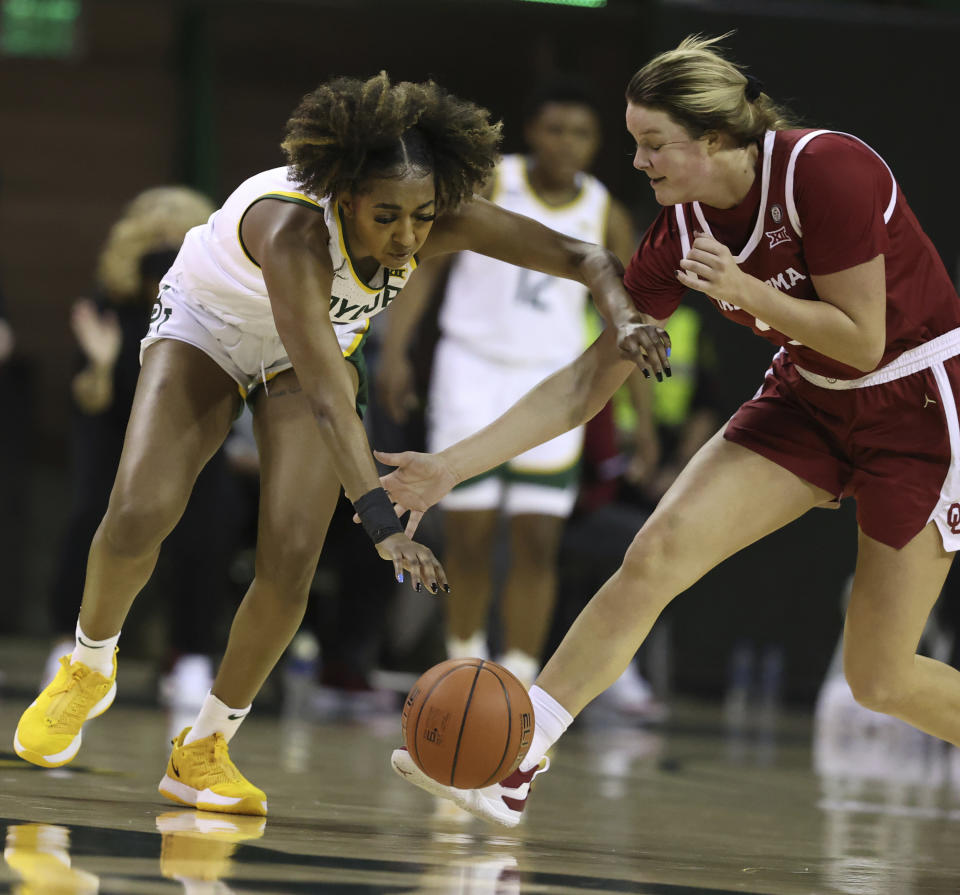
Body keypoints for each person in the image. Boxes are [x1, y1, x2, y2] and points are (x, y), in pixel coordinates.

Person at [12, 72, 653, 817]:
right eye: (388, 216)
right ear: (346, 195)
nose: (409, 237)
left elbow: (587, 255)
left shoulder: (432, 217)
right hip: (208, 328)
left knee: (290, 554)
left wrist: (625, 316)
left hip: (300, 356)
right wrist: (380, 522)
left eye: (422, 218)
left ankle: (205, 748)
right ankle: (88, 666)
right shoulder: (293, 234)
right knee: (140, 509)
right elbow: (326, 393)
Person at [385, 33, 960, 827]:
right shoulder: (678, 231)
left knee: (881, 677)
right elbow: (591, 379)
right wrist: (449, 467)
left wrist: (747, 290)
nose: (637, 161)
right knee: (654, 553)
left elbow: (863, 338)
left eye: (654, 143)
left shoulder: (828, 169)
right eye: (635, 142)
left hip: (917, 406)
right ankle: (516, 762)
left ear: (716, 138)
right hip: (810, 399)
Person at [377, 79, 636, 687]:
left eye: (580, 133)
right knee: (467, 534)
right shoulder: (495, 181)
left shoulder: (606, 212)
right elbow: (425, 259)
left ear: (597, 143)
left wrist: (635, 420)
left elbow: (626, 317)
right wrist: (395, 348)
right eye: (555, 129)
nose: (566, 143)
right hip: (471, 367)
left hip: (552, 382)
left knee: (538, 541)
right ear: (532, 133)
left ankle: (517, 681)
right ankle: (460, 670)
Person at [42, 187, 231, 721]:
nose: (164, 252)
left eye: (176, 240)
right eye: (154, 239)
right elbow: (90, 398)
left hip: (191, 441)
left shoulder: (211, 306)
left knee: (210, 526)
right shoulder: (109, 305)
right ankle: (72, 648)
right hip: (113, 442)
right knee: (89, 519)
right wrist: (102, 361)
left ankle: (191, 653)